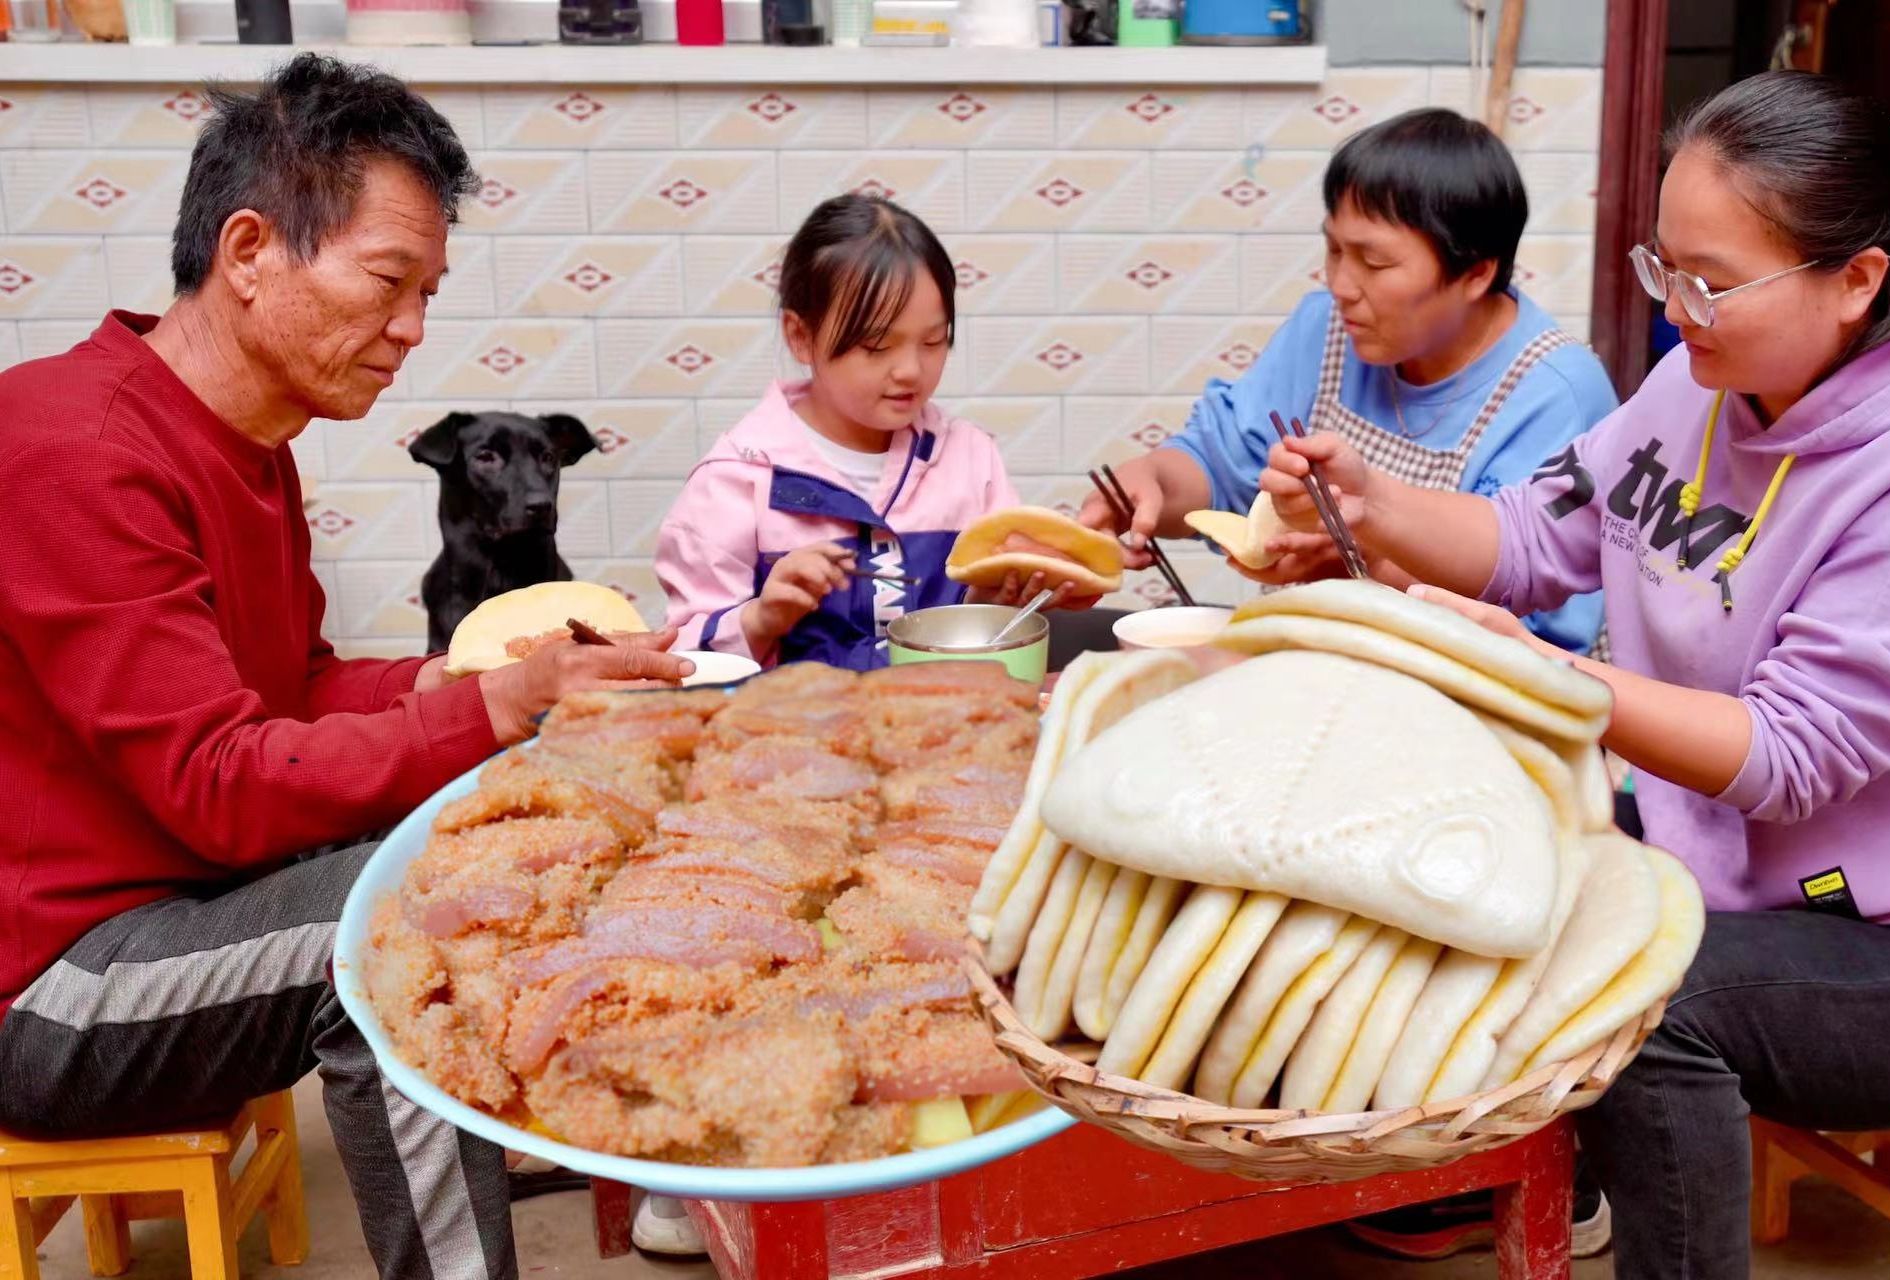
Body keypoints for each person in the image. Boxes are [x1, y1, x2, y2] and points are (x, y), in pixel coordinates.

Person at [1261, 71, 1890, 1278]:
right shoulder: (1704, 369)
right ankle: (1492, 1177)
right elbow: (1537, 536)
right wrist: (1375, 508)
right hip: (1721, 855)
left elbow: (1790, 755)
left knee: (1636, 997)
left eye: (1712, 281)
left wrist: (1553, 682)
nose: (1676, 307)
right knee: (1427, 842)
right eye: (1662, 267)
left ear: (1855, 279)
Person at [0, 55, 687, 1280]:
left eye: (426, 289)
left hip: (178, 915)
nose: (413, 329)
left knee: (484, 847)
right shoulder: (75, 447)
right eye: (388, 281)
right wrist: (492, 707)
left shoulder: (250, 446)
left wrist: (456, 683)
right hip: (53, 988)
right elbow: (218, 778)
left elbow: (292, 684)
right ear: (251, 250)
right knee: (397, 931)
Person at [1080, 107, 1616, 654]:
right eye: (1334, 249)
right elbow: (1222, 466)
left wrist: (1358, 561)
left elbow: (1538, 634)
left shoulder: (1558, 393)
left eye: (1375, 263)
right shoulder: (1325, 329)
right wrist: (1150, 484)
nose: (1341, 285)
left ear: (1476, 271)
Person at [656, 193, 1086, 673]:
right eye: (877, 346)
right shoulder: (737, 481)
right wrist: (762, 617)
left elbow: (994, 629)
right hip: (794, 739)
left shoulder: (970, 459)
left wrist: (995, 599)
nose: (910, 370)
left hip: (948, 729)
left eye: (933, 341)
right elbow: (681, 662)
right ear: (801, 336)